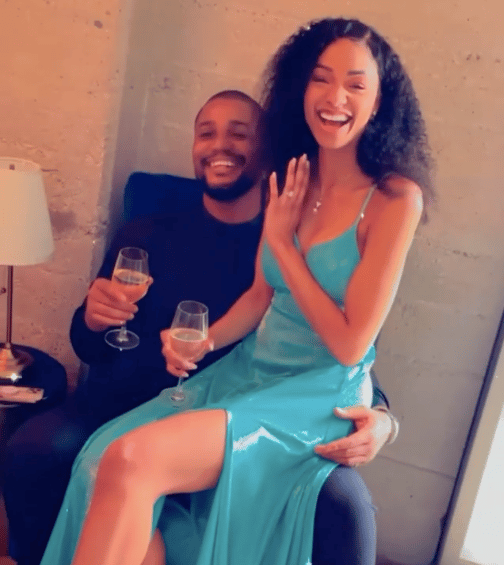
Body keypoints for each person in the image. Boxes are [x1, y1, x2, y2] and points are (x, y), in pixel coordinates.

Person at [4, 89, 393, 565]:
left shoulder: (281, 245)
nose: (219, 145)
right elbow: (89, 347)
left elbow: (334, 347)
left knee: (345, 502)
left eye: (239, 134)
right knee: (34, 448)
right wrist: (92, 317)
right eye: (206, 133)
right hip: (124, 403)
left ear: (266, 151)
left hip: (232, 414)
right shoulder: (145, 233)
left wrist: (383, 418)